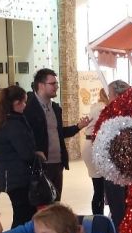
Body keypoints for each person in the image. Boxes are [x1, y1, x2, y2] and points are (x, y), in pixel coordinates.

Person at [23, 68, 89, 200]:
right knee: (43, 205)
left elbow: (59, 133)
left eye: (56, 83)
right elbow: (24, 137)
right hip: (39, 165)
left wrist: (78, 127)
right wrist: (35, 152)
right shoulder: (28, 108)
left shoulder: (55, 108)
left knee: (56, 203)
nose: (56, 87)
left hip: (57, 164)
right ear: (41, 85)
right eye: (53, 84)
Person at [0, 85, 41, 228]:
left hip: (13, 177)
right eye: (23, 102)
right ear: (15, 103)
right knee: (23, 216)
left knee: (24, 215)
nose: (25, 105)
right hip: (18, 178)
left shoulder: (4, 120)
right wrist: (36, 154)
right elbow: (25, 152)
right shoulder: (13, 124)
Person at [98, 80, 131, 233]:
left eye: (110, 94)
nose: (109, 98)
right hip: (129, 170)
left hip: (115, 170)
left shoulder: (111, 114)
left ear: (117, 95)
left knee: (118, 211)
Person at [82, 88, 108, 215]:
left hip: (91, 145)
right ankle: (98, 217)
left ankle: (99, 216)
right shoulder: (102, 108)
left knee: (99, 187)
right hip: (94, 146)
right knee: (99, 188)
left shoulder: (97, 106)